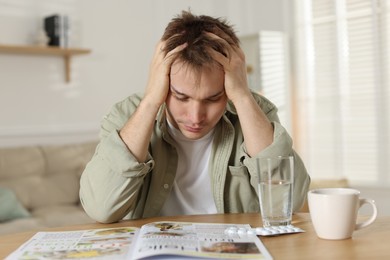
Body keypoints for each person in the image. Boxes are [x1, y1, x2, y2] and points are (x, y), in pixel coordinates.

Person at [79, 10, 310, 223]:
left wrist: (242, 95)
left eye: (212, 98)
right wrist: (151, 100)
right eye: (181, 97)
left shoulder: (254, 111)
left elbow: (286, 205)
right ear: (163, 80)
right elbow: (101, 209)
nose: (196, 116)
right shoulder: (126, 114)